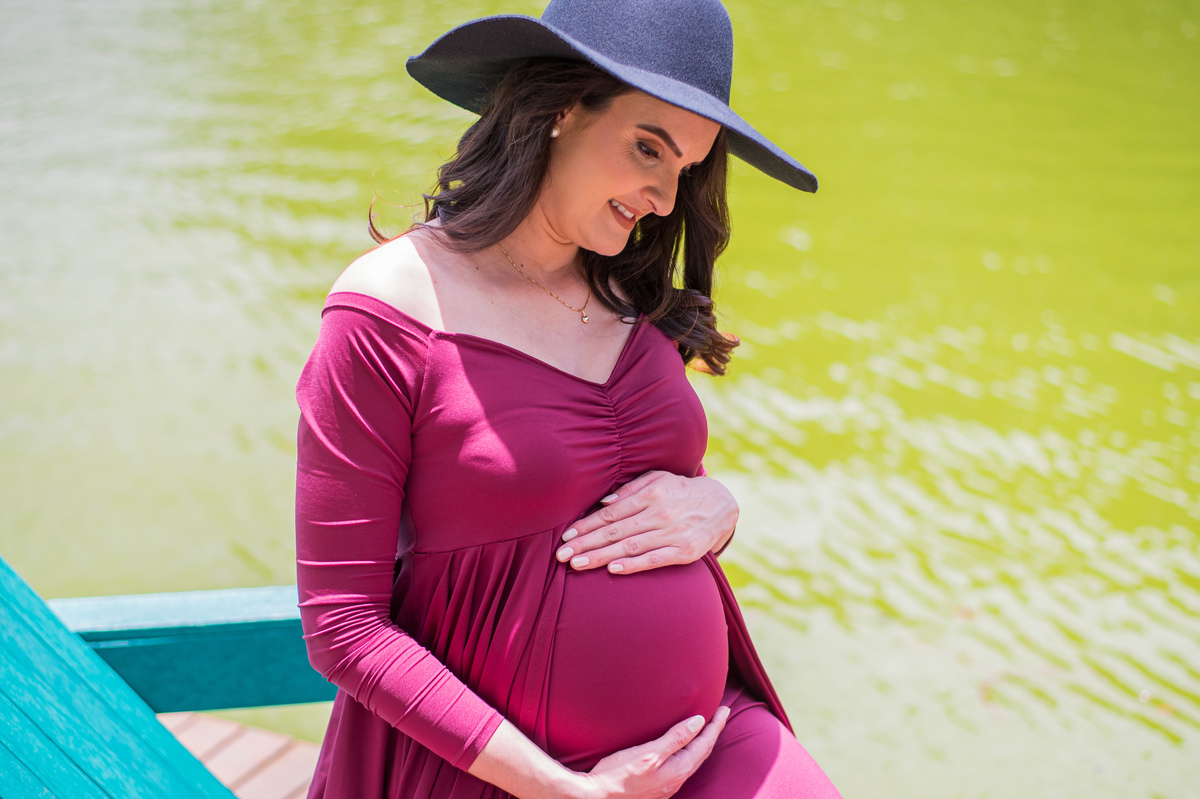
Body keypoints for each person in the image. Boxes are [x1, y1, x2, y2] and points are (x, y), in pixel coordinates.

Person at [294, 0, 842, 797]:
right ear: (557, 108)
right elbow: (343, 626)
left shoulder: (630, 292)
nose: (662, 196)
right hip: (499, 773)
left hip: (707, 737)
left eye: (683, 168)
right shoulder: (389, 311)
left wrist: (718, 507)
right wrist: (563, 788)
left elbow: (624, 493)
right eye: (647, 148)